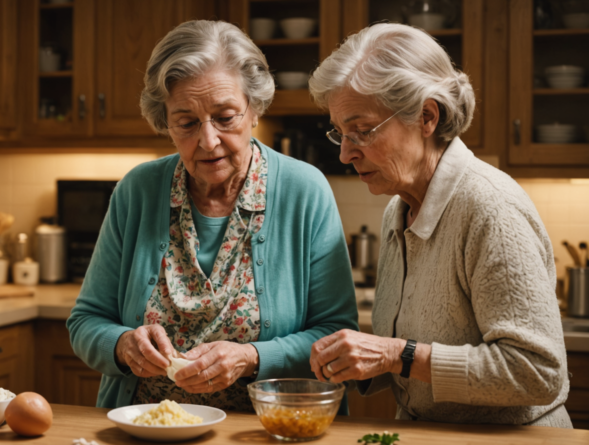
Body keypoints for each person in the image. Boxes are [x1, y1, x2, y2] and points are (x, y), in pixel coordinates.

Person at [67, 20, 358, 412]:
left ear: (254, 109)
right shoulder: (137, 191)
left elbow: (337, 336)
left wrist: (252, 358)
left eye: (225, 117)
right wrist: (121, 346)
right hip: (149, 427)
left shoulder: (304, 190)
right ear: (164, 122)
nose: (208, 141)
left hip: (269, 430)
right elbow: (86, 321)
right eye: (186, 122)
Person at [307, 23, 572, 428]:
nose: (345, 154)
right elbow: (411, 345)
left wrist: (398, 356)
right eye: (339, 133)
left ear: (426, 116)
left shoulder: (489, 207)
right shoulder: (399, 207)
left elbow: (537, 372)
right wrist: (354, 359)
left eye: (362, 131)